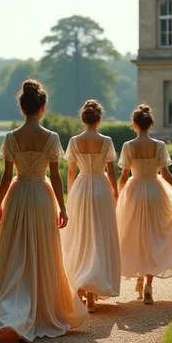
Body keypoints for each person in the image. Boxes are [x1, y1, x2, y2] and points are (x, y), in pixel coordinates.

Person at [0, 79, 88, 343]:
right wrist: (62, 206)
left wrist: (0, 202)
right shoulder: (51, 138)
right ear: (43, 107)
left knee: (16, 252)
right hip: (41, 195)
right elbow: (56, 176)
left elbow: (6, 177)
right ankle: (36, 310)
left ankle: (11, 313)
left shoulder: (11, 137)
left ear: (23, 108)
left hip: (18, 196)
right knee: (41, 252)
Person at [116, 104, 172, 305]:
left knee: (136, 234)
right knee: (153, 235)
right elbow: (165, 173)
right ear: (151, 124)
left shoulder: (128, 146)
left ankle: (139, 276)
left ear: (134, 124)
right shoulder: (159, 145)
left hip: (135, 191)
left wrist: (118, 194)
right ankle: (147, 284)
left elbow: (123, 176)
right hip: (155, 190)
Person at [61, 100, 121, 313]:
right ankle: (93, 294)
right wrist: (115, 192)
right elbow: (112, 172)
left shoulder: (75, 141)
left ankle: (81, 287)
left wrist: (70, 194)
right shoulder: (106, 141)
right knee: (99, 236)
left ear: (83, 119)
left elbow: (70, 172)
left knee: (81, 236)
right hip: (101, 189)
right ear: (99, 119)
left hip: (81, 187)